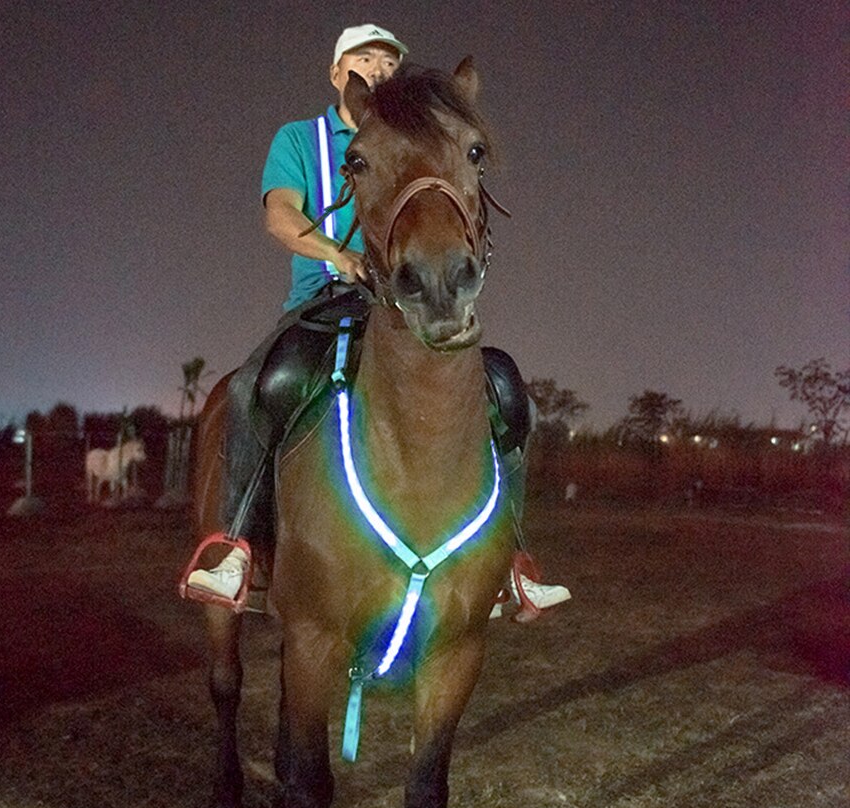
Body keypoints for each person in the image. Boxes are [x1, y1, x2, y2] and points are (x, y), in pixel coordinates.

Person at [184, 24, 570, 617]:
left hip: (400, 297)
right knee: (263, 383)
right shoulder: (300, 139)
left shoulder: (416, 132)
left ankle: (510, 560)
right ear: (338, 74)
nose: (379, 70)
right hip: (325, 297)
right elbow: (281, 216)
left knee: (507, 392)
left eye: (390, 61)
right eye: (364, 60)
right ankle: (235, 544)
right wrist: (340, 255)